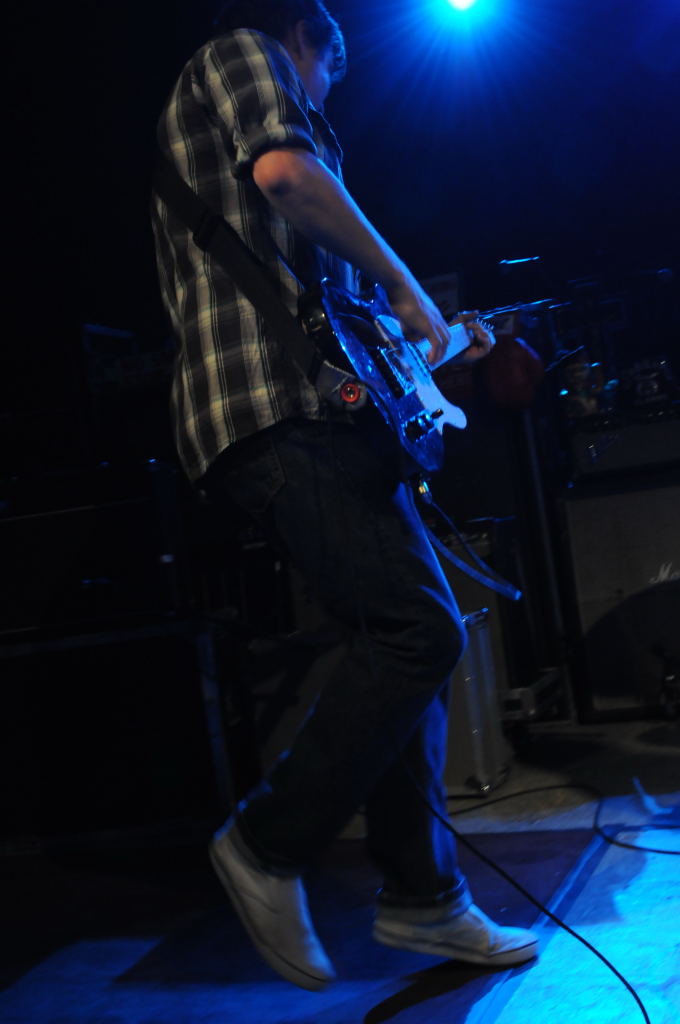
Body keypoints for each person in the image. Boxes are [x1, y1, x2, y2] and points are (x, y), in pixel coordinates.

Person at [152, 0, 539, 992]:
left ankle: (422, 896)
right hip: (270, 413)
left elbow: (341, 323)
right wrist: (405, 280)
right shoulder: (245, 50)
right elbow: (285, 174)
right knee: (416, 630)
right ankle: (266, 842)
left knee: (409, 637)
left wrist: (435, 345)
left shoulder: (282, 153)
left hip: (315, 414)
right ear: (312, 42)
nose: (323, 100)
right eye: (328, 77)